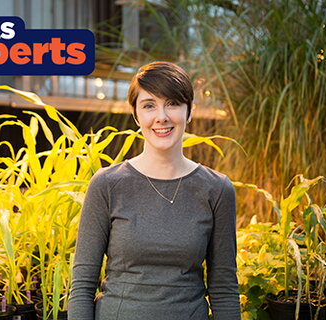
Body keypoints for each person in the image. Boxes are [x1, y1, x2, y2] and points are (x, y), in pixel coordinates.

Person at [67, 61, 240, 320]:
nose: (162, 116)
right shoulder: (107, 185)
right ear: (136, 115)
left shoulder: (216, 189)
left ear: (190, 111)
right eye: (149, 105)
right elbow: (82, 286)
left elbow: (224, 288)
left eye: (172, 103)